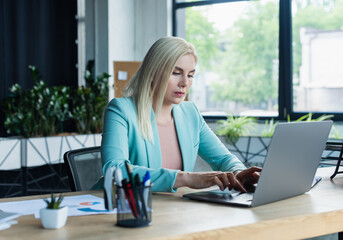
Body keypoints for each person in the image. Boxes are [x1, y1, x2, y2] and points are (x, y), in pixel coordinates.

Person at [100, 36, 261, 193]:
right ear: (152, 73)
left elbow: (223, 159)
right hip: (119, 209)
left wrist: (238, 172)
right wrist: (186, 178)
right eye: (176, 73)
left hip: (170, 210)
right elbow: (115, 170)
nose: (184, 83)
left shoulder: (190, 114)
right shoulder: (121, 110)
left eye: (190, 75)